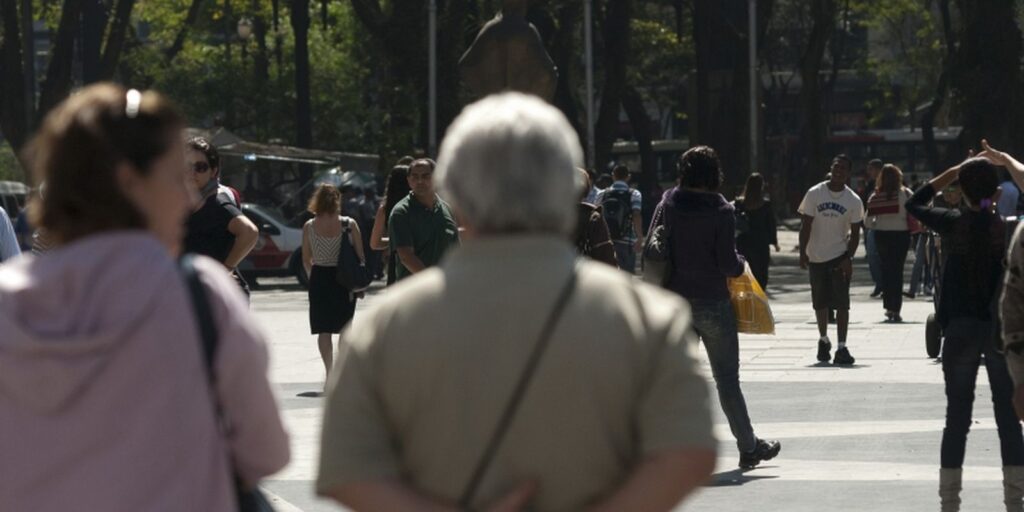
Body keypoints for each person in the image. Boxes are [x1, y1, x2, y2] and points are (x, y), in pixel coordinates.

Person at [317, 93, 717, 512]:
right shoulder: (649, 319)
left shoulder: (384, 328)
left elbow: (347, 473)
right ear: (568, 188)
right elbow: (691, 454)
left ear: (455, 195)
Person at [0, 84, 288, 510]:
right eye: (174, 176)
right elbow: (267, 452)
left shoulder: (7, 302)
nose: (189, 196)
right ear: (129, 183)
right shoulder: (200, 296)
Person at [908, 143, 1024, 512]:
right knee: (1009, 420)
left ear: (963, 189)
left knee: (956, 420)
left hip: (958, 332)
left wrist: (952, 173)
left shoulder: (951, 223)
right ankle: (1014, 500)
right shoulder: (1007, 229)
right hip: (1000, 335)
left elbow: (914, 205)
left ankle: (949, 504)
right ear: (997, 193)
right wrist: (1005, 161)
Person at [650, 146, 781, 469]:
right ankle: (749, 447)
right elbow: (728, 263)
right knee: (727, 379)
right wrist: (741, 264)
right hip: (712, 303)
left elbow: (653, 241)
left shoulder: (668, 203)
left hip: (674, 302)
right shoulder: (721, 210)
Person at [798, 154, 865, 365]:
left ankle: (842, 346)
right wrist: (803, 252)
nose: (839, 172)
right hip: (816, 255)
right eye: (836, 167)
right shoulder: (814, 193)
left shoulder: (853, 200)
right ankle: (823, 339)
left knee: (842, 303)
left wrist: (848, 257)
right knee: (820, 302)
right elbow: (806, 225)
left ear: (848, 173)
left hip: (839, 256)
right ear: (831, 168)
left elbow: (855, 234)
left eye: (844, 168)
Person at [302, 184, 365, 380]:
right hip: (343, 280)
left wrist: (313, 276)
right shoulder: (349, 224)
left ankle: (329, 372)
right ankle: (342, 373)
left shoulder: (309, 226)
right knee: (345, 329)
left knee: (324, 329)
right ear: (337, 200)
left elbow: (306, 258)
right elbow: (360, 256)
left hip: (320, 278)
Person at [183, 137, 259, 298]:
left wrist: (226, 268)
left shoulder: (217, 201)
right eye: (187, 166)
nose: (192, 172)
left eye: (200, 167)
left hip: (221, 296)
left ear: (213, 171)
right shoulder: (190, 200)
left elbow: (249, 232)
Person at [387, 158, 460, 281]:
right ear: (409, 181)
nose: (420, 181)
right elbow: (406, 256)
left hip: (447, 290)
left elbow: (456, 249)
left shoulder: (447, 209)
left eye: (426, 176)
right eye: (415, 177)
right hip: (414, 292)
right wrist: (433, 281)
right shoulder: (401, 212)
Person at [865, 164, 913, 322]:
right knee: (897, 271)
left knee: (886, 270)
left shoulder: (876, 195)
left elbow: (867, 221)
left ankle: (888, 307)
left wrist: (877, 225)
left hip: (882, 235)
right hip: (901, 235)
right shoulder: (906, 194)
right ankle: (896, 309)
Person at [733, 173, 780, 289]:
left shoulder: (739, 203)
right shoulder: (766, 205)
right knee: (761, 275)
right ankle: (759, 299)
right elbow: (771, 225)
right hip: (761, 244)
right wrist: (774, 242)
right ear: (761, 186)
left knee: (745, 273)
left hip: (743, 243)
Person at [370, 164, 412, 286]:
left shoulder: (385, 208)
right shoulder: (420, 205)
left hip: (396, 262)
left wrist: (394, 241)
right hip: (421, 258)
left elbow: (375, 243)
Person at [596, 164, 643, 274]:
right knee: (626, 279)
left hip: (606, 241)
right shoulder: (634, 194)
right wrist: (639, 237)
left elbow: (596, 215)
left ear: (613, 176)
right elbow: (636, 215)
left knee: (607, 277)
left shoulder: (602, 194)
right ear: (628, 177)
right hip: (627, 242)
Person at [574, 168, 617, 266]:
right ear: (586, 190)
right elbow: (606, 255)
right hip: (584, 276)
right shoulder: (593, 217)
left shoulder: (543, 218)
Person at [863, 159, 884, 298]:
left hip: (886, 225)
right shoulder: (870, 185)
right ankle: (879, 283)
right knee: (872, 256)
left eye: (871, 169)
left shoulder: (891, 183)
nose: (869, 172)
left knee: (885, 257)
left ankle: (887, 285)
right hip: (871, 224)